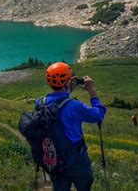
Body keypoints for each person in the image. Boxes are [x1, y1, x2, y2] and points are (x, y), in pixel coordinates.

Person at [35, 62, 106, 191]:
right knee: (85, 183)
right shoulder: (74, 106)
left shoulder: (40, 102)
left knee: (60, 186)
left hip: (53, 155)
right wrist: (93, 93)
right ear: (68, 81)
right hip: (75, 156)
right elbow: (98, 115)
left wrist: (67, 90)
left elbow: (59, 103)